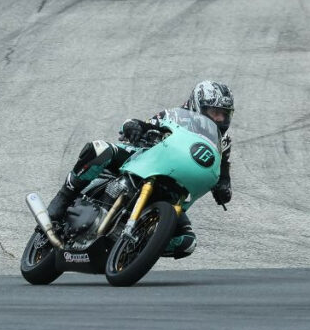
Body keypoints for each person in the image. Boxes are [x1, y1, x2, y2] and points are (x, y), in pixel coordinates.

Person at [45, 80, 234, 259]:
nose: (219, 118)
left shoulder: (222, 143)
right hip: (145, 162)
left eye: (223, 114)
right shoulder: (175, 116)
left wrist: (224, 188)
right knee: (100, 149)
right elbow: (144, 123)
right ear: (197, 104)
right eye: (214, 111)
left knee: (187, 242)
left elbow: (223, 173)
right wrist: (133, 126)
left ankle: (139, 245)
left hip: (175, 187)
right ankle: (63, 197)